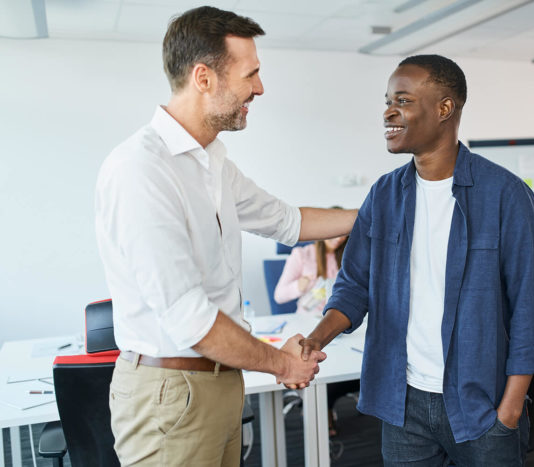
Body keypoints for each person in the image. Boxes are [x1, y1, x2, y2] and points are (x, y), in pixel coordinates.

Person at [94, 7, 356, 466]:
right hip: (172, 394)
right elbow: (190, 318)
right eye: (251, 74)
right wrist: (283, 363)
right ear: (204, 78)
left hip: (219, 382)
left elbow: (287, 222)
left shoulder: (211, 160)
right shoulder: (142, 170)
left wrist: (379, 211)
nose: (259, 87)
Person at [296, 55, 534, 466]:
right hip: (403, 404)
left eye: (403, 100)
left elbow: (531, 309)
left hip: (482, 406)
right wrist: (315, 339)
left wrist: (509, 409)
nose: (388, 111)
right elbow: (354, 286)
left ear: (444, 108)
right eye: (387, 100)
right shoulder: (383, 195)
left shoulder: (505, 195)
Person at [274, 226, 359, 436]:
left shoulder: (348, 256)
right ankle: (321, 411)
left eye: (343, 236)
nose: (339, 239)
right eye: (335, 232)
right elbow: (279, 295)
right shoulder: (302, 255)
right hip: (306, 323)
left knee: (354, 361)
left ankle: (326, 401)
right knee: (317, 362)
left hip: (338, 325)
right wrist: (300, 287)